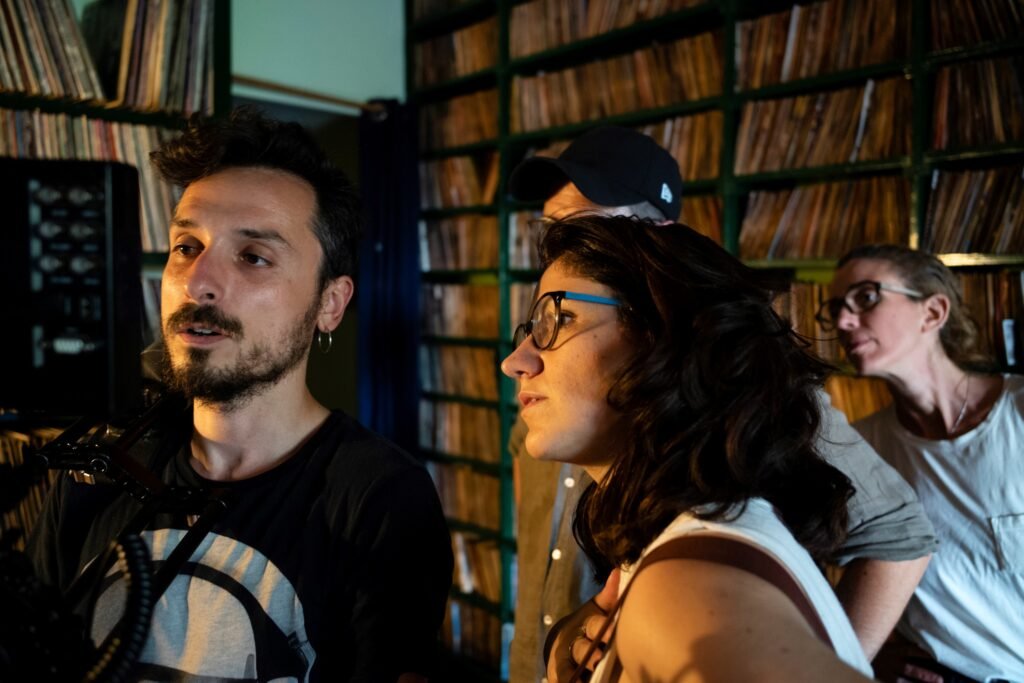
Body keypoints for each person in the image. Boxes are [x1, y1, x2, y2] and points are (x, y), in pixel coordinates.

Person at [26, 108, 453, 682]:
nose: (198, 281)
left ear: (330, 303)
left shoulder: (380, 499)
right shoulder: (98, 466)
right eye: (186, 246)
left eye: (253, 256)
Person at [506, 126, 935, 682]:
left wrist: (820, 648)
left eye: (590, 229)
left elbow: (897, 533)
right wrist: (569, 640)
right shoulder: (555, 392)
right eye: (553, 229)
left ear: (664, 249)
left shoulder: (753, 400)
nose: (565, 247)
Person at [824, 244, 1024, 683]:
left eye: (866, 297)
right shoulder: (857, 449)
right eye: (835, 308)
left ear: (932, 312)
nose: (843, 322)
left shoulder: (1019, 411)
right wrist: (872, 654)